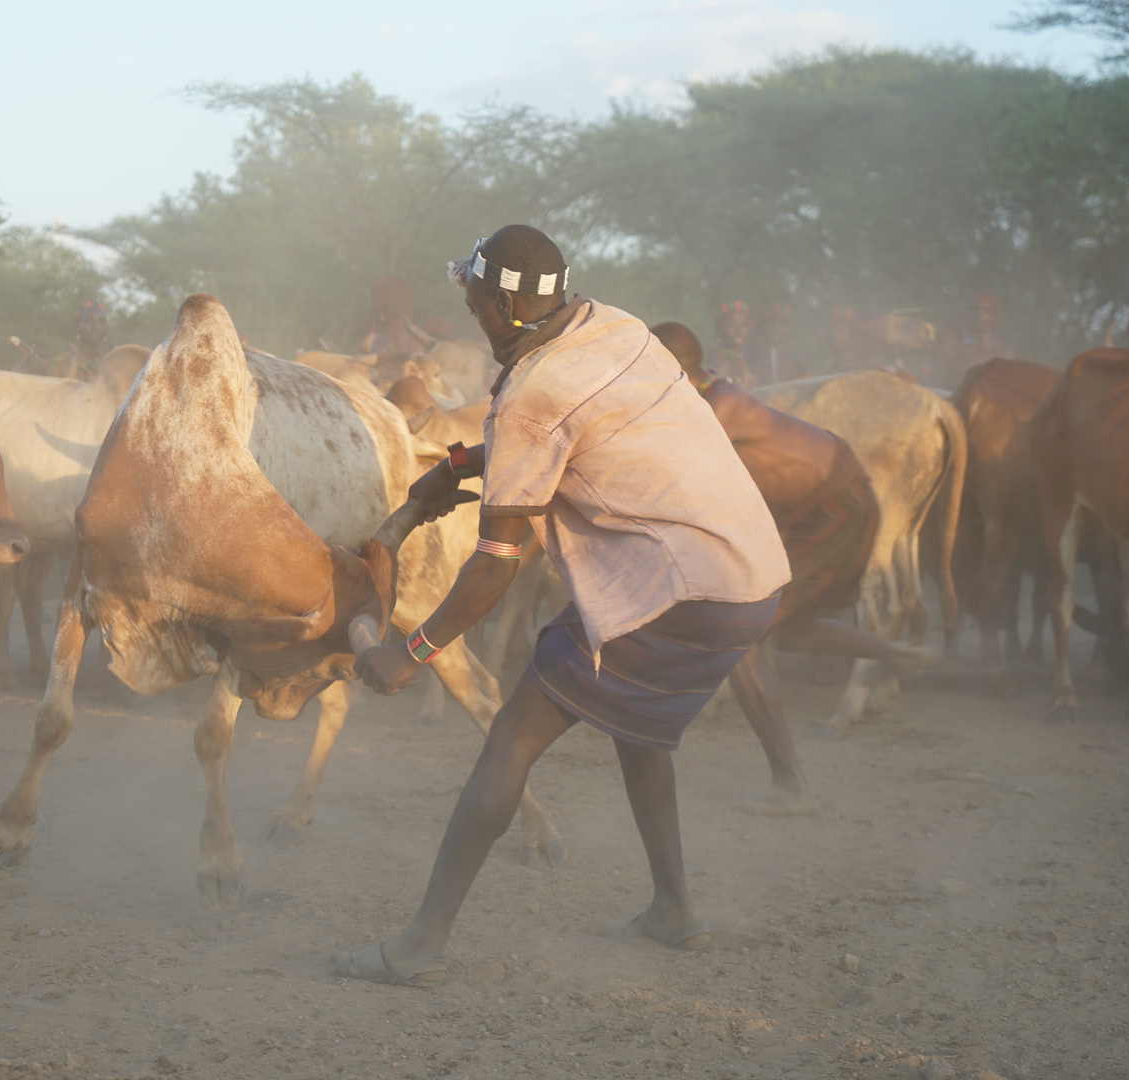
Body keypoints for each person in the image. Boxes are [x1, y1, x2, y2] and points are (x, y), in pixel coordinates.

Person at [335, 226, 791, 987]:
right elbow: (575, 433)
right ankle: (674, 909)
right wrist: (462, 467)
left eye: (478, 304)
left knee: (511, 737)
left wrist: (411, 653)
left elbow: (496, 563)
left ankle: (419, 946)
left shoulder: (529, 391)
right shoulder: (615, 327)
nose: (474, 317)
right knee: (633, 720)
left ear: (508, 303)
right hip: (749, 580)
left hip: (676, 590)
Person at [651, 322, 934, 812]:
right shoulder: (707, 395)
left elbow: (666, 478)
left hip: (832, 503)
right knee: (793, 630)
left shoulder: (718, 410)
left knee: (741, 637)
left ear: (668, 367)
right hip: (822, 504)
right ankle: (895, 652)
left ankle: (791, 785)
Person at [47, 301, 109, 381]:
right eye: (89, 321)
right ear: (78, 327)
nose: (95, 327)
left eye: (100, 322)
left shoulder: (111, 366)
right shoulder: (61, 365)